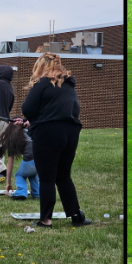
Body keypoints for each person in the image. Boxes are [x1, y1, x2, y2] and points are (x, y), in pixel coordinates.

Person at [20, 53, 91, 228]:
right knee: (63, 175)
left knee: (46, 177)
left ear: (41, 66)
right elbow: (70, 109)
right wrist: (34, 121)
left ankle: (46, 220)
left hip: (47, 134)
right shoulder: (69, 85)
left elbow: (27, 108)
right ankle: (76, 216)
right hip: (70, 133)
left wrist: (33, 120)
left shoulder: (42, 83)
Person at [0, 120, 39, 200]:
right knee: (32, 174)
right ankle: (37, 194)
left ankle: (21, 193)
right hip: (44, 158)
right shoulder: (30, 130)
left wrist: (8, 183)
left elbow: (10, 164)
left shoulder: (12, 139)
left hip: (30, 158)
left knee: (20, 175)